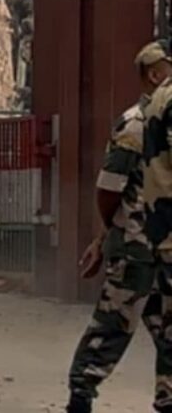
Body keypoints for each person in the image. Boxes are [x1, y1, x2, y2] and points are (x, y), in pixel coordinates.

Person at [68, 41, 172, 413]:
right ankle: (80, 398)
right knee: (113, 326)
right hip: (136, 248)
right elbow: (109, 189)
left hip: (166, 249)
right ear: (154, 74)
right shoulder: (135, 124)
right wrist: (108, 234)